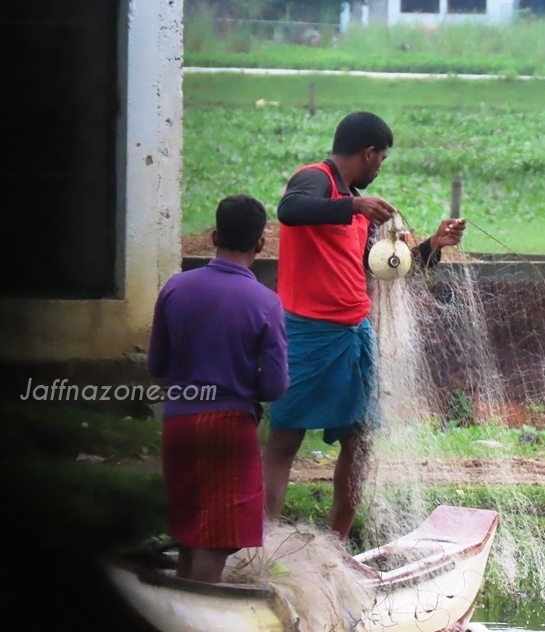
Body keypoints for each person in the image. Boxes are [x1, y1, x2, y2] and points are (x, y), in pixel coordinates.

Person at [263, 110, 465, 539]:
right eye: (383, 159)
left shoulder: (357, 209)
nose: (381, 167)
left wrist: (434, 244)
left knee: (360, 440)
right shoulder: (316, 179)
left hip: (354, 333)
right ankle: (260, 538)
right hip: (306, 332)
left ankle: (335, 544)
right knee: (285, 440)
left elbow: (387, 267)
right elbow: (289, 210)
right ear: (369, 153)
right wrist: (353, 204)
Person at [148, 194, 289, 582]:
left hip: (177, 423)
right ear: (261, 244)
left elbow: (156, 366)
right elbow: (275, 386)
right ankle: (197, 620)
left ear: (213, 236)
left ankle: (178, 613)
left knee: (190, 531)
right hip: (227, 428)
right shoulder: (265, 302)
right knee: (216, 539)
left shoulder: (175, 288)